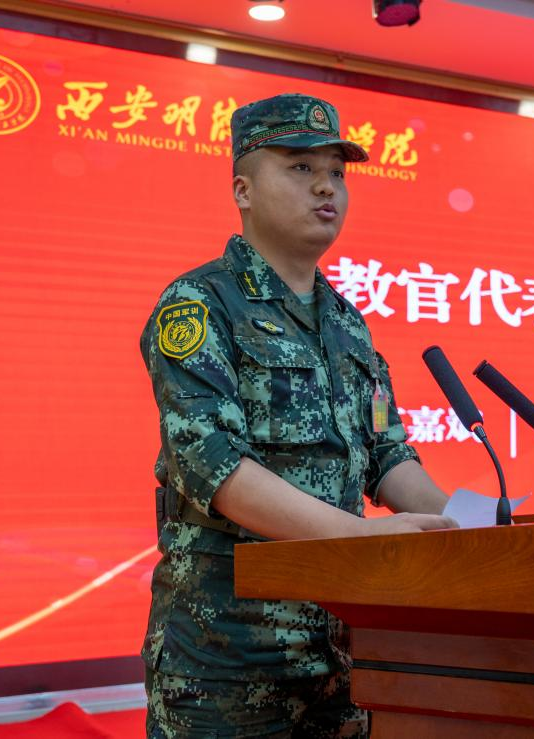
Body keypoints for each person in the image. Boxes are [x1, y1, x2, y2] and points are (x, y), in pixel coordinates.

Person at [140, 93, 457, 738]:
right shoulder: (199, 304)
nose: (325, 187)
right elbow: (213, 466)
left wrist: (463, 526)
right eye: (300, 167)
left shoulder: (347, 322)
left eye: (337, 172)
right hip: (227, 657)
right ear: (243, 190)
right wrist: (361, 538)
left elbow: (385, 453)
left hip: (341, 649)